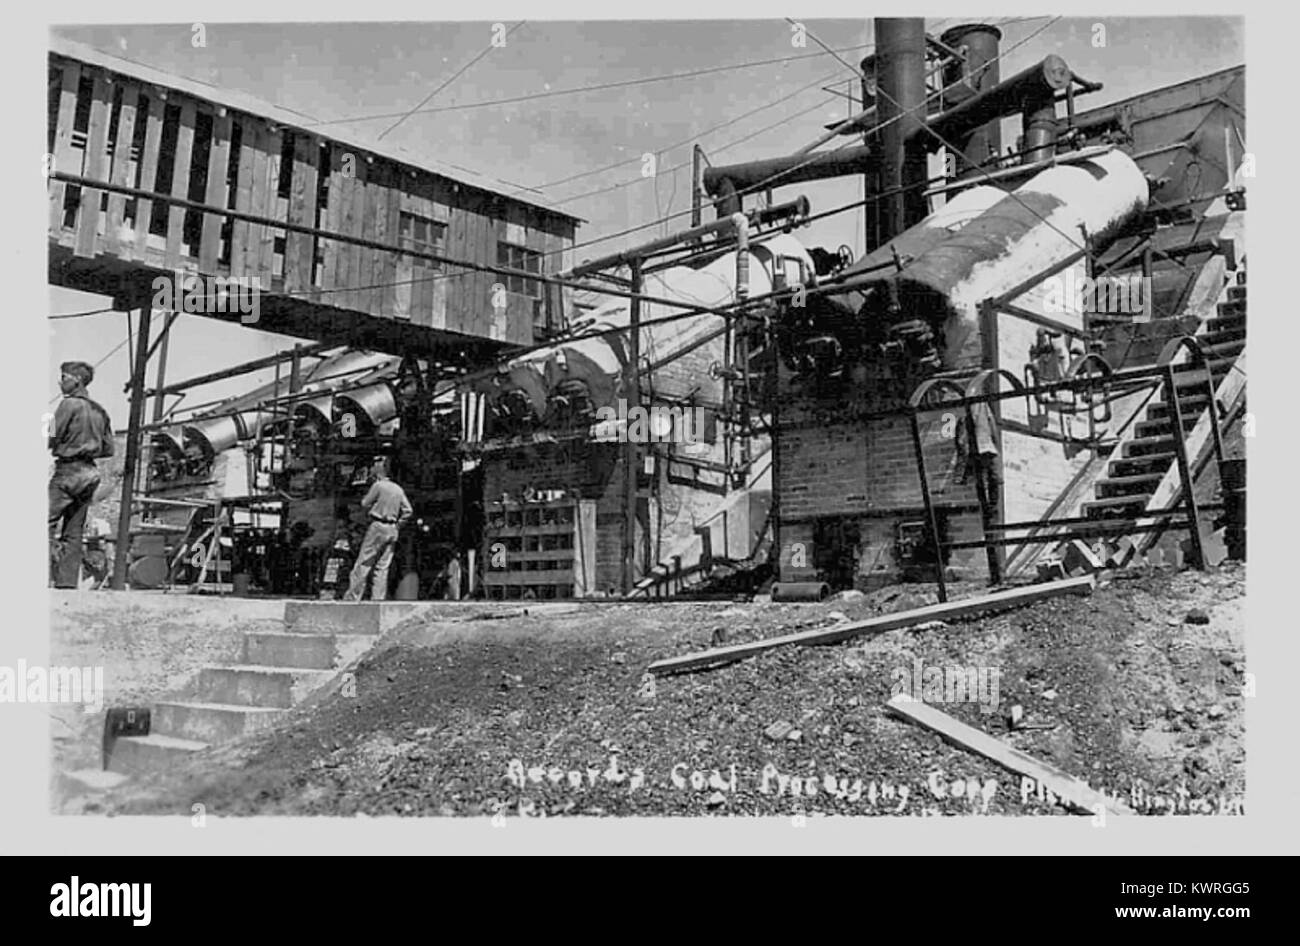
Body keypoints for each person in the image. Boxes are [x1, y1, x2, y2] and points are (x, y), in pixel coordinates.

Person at [49, 361, 114, 589]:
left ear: (76, 380)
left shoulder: (68, 405)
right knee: (74, 531)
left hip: (68, 470)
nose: (60, 381)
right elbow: (109, 449)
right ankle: (66, 584)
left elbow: (51, 437)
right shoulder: (100, 410)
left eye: (64, 377)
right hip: (89, 473)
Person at [343, 457, 412, 602]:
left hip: (378, 525)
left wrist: (373, 508)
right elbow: (408, 511)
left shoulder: (378, 486)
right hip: (392, 528)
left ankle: (353, 597)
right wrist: (398, 525)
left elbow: (364, 503)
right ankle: (378, 599)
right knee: (382, 567)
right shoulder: (398, 489)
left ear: (377, 474)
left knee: (364, 562)